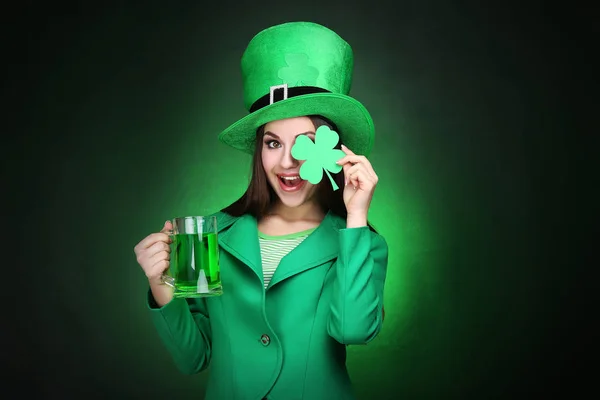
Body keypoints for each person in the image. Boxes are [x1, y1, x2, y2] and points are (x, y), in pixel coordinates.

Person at [133, 21, 389, 400]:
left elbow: (353, 329)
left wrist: (355, 218)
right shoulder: (205, 236)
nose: (288, 162)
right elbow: (194, 357)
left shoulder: (360, 242)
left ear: (333, 152)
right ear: (259, 151)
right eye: (273, 143)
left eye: (305, 144)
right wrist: (161, 285)